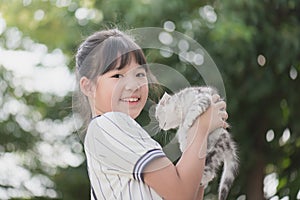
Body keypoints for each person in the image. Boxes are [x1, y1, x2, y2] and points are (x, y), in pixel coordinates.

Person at [74, 28, 228, 200]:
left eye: (139, 74)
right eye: (117, 75)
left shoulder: (117, 133)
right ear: (88, 86)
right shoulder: (109, 124)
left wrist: (203, 140)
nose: (133, 85)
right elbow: (182, 194)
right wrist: (199, 127)